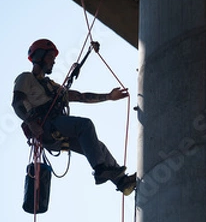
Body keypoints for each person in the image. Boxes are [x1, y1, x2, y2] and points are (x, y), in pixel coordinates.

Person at [11, 39, 136, 195]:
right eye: (50, 57)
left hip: (58, 130)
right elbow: (17, 103)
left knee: (98, 147)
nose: (53, 61)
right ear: (40, 56)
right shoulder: (26, 78)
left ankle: (122, 182)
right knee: (85, 125)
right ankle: (100, 170)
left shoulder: (51, 86)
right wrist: (31, 123)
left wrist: (108, 96)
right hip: (46, 127)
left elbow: (79, 96)